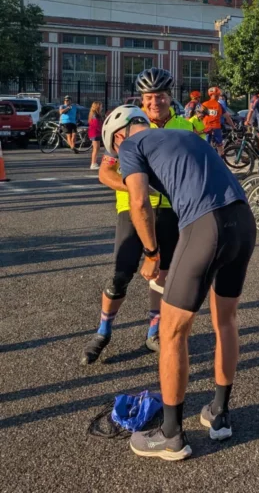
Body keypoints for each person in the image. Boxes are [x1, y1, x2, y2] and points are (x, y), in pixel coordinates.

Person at [100, 107, 255, 460]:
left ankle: (171, 436)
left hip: (206, 226)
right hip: (243, 220)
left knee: (171, 333)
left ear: (120, 135)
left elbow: (139, 203)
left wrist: (153, 254)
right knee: (226, 320)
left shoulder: (131, 146)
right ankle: (219, 414)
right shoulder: (185, 135)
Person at [82, 67, 197, 366]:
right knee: (121, 274)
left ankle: (154, 332)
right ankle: (103, 332)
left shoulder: (185, 126)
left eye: (160, 96)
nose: (154, 102)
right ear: (141, 99)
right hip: (132, 208)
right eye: (148, 97)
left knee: (163, 275)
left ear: (170, 97)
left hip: (171, 209)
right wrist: (135, 186)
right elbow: (106, 173)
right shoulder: (129, 123)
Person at [202, 87, 235, 155]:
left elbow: (199, 116)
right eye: (217, 95)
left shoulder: (204, 104)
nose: (217, 97)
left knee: (205, 145)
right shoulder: (219, 105)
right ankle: (220, 160)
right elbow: (227, 117)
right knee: (219, 146)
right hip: (216, 128)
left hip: (206, 127)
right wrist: (233, 126)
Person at [88, 101, 104, 170]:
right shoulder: (95, 115)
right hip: (95, 133)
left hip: (95, 132)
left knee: (97, 148)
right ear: (97, 107)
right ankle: (93, 163)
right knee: (96, 148)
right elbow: (97, 125)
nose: (102, 108)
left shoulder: (95, 114)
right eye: (100, 106)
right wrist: (102, 130)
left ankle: (94, 162)